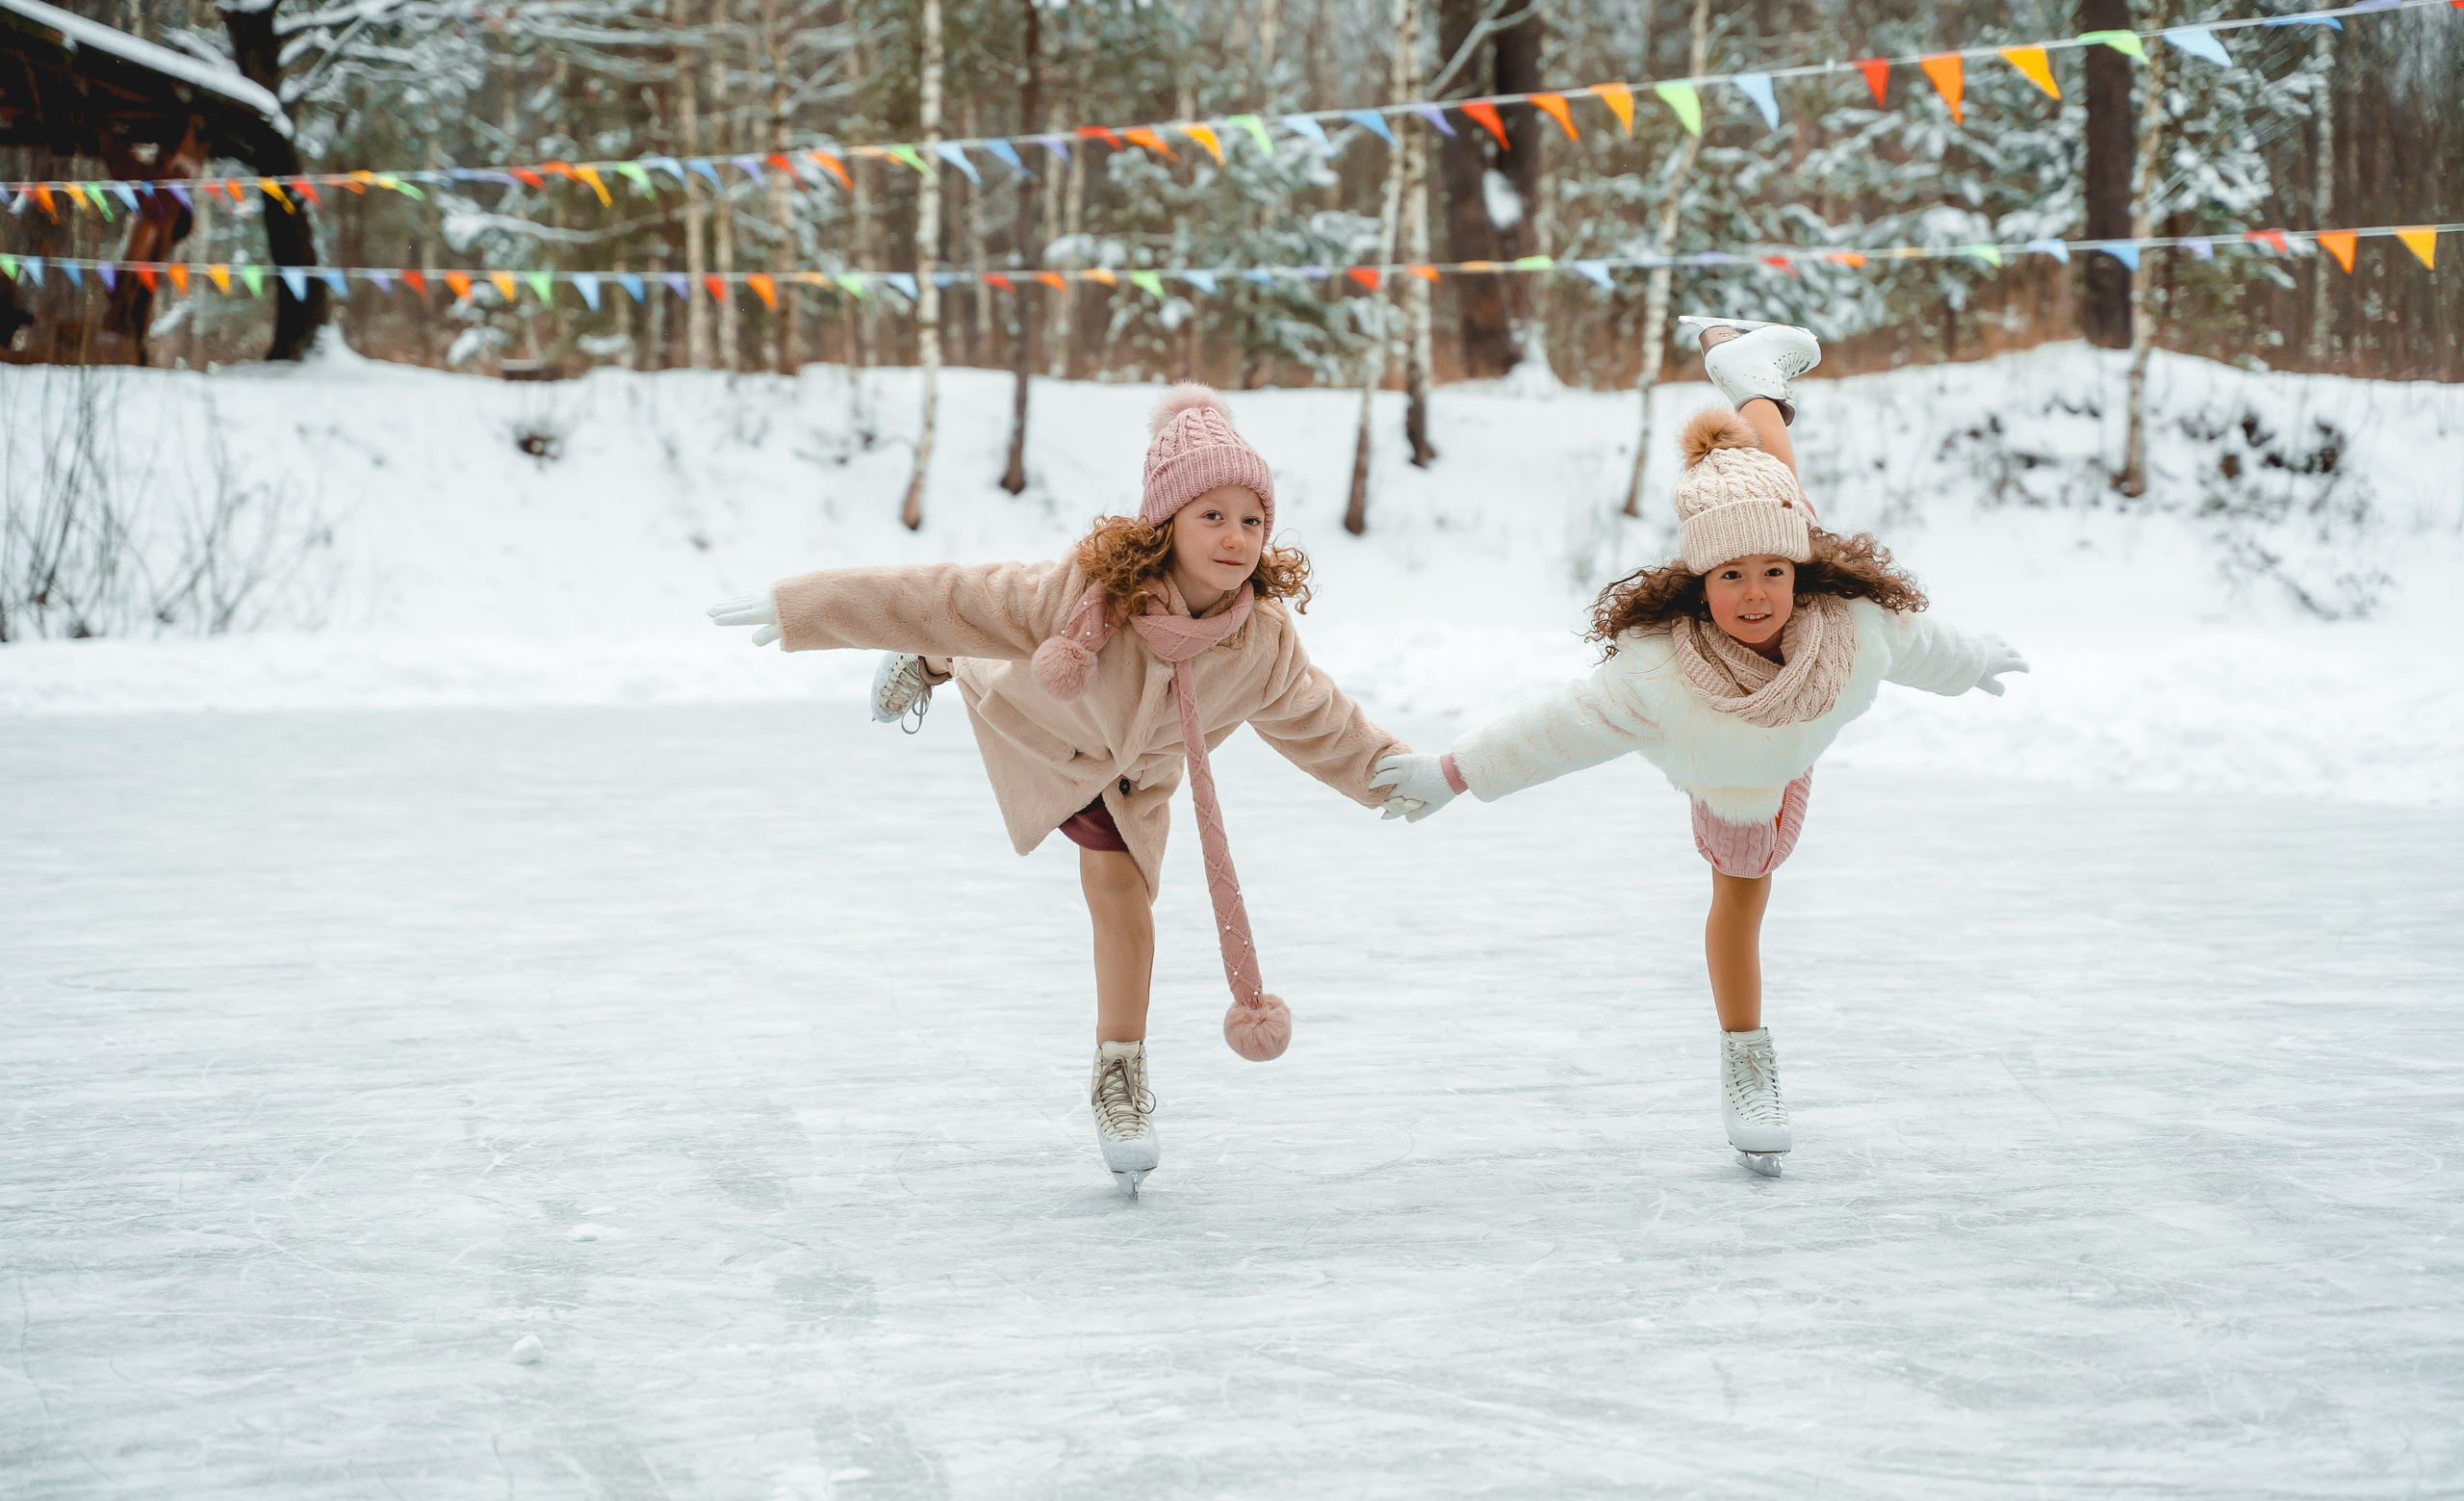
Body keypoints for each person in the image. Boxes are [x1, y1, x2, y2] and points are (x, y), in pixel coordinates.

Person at [708, 384, 1408, 1195]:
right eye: (1210, 515)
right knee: (974, 648)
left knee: (1121, 897)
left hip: (1131, 783)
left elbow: (1320, 718)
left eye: (1251, 519)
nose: (1235, 536)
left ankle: (1121, 1079)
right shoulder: (1081, 594)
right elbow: (950, 598)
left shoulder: (1260, 641)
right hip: (1034, 718)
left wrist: (1399, 773)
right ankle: (930, 661)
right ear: (1166, 521)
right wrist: (804, 608)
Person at [1369, 322, 2028, 1176]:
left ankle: (1746, 373)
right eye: (1729, 578)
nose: (1755, 596)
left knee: (1781, 492)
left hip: (1796, 675)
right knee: (1741, 896)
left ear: (1800, 573)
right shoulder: (1657, 680)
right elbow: (1553, 730)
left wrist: (1973, 663)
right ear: (1698, 582)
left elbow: (1922, 641)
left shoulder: (1850, 624)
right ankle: (1747, 1062)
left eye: (1772, 573)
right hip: (1734, 759)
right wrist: (1451, 773)